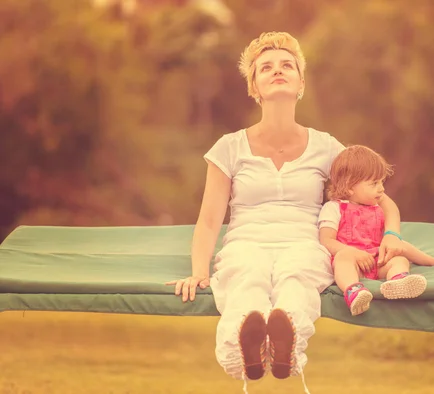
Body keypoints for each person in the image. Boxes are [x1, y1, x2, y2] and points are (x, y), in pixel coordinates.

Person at [166, 32, 406, 393]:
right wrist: (199, 272)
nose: (277, 71)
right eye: (266, 68)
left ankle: (286, 346)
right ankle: (242, 347)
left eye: (286, 66)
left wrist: (392, 234)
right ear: (255, 87)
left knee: (297, 275)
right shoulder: (229, 148)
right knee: (247, 275)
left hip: (305, 242)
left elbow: (376, 195)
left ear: (300, 83)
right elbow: (210, 219)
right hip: (247, 241)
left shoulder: (327, 148)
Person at [318, 145, 434, 316]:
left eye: (381, 182)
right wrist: (351, 252)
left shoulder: (378, 209)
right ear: (349, 186)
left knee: (398, 257)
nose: (382, 189)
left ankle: (398, 281)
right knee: (342, 259)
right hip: (353, 264)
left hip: (377, 263)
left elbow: (399, 244)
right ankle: (353, 290)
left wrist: (430, 260)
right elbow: (326, 240)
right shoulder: (334, 208)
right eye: (374, 183)